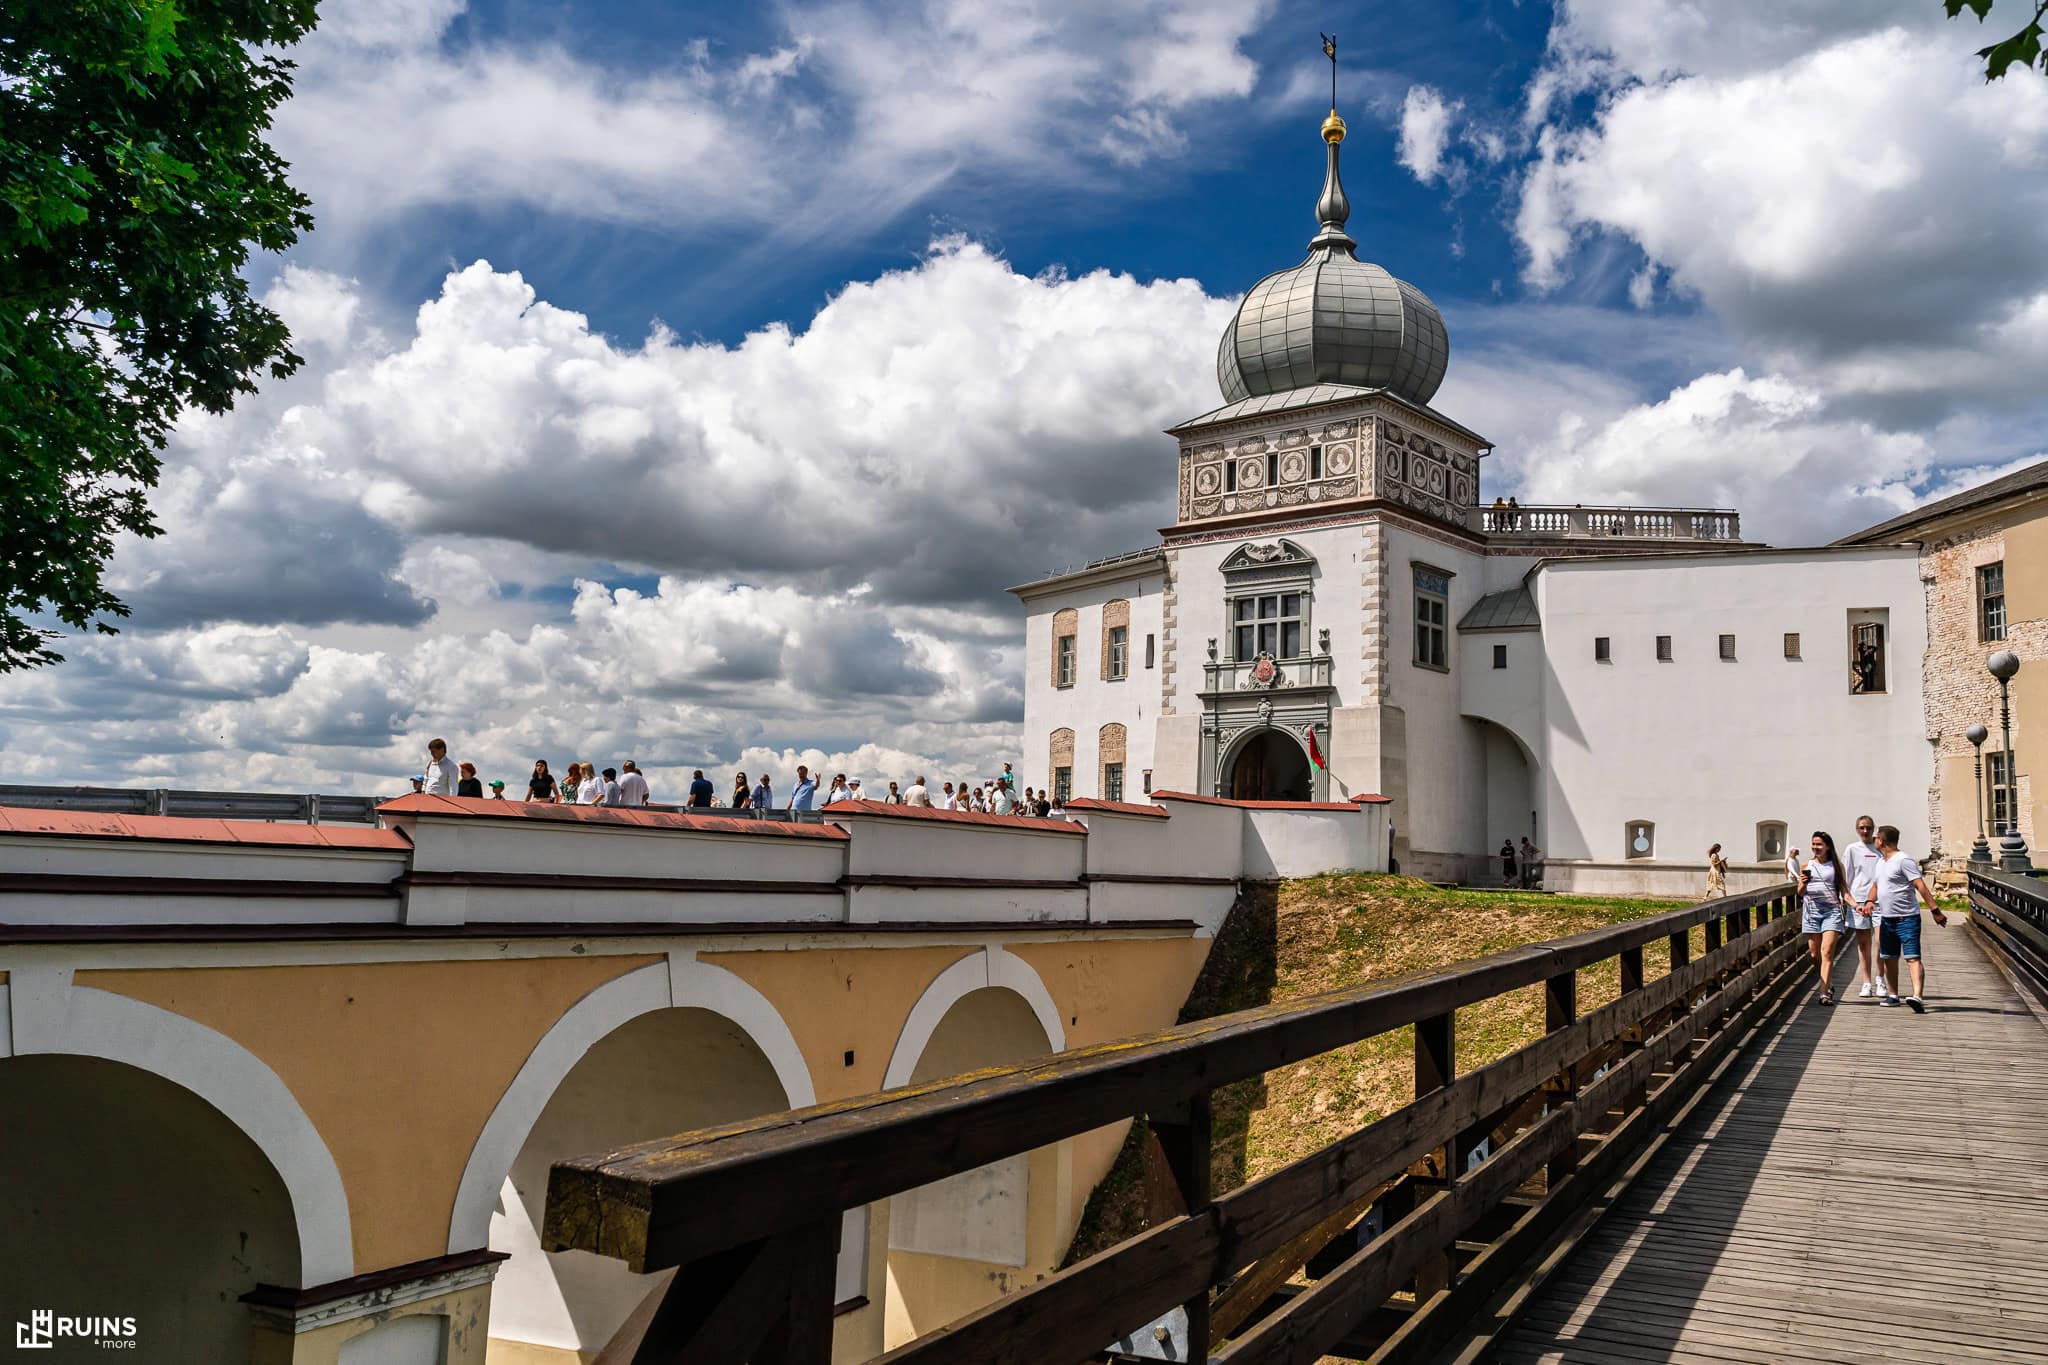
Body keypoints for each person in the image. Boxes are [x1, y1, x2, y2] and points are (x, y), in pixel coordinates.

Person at [1858, 824, 1947, 1011]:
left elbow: (1920, 885)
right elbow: (1876, 886)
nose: (1874, 840)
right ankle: (1893, 995)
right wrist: (1869, 901)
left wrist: (1935, 910)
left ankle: (1917, 996)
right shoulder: (1881, 862)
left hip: (1907, 918)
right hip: (1887, 918)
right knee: (1889, 957)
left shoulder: (1904, 860)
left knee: (1912, 957)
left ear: (1882, 841)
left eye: (1876, 838)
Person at [1797, 831, 1848, 1005]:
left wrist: (1856, 905)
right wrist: (1803, 882)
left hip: (1831, 911)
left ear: (1827, 846)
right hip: (1811, 911)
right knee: (1814, 954)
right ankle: (1828, 983)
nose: (1816, 847)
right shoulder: (1806, 864)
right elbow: (1800, 892)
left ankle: (1823, 993)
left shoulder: (1837, 866)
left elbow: (1844, 891)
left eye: (1819, 844)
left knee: (1826, 951)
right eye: (1813, 844)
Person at [1843, 816, 1885, 997]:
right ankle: (1866, 982)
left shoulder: (1880, 848)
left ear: (1873, 829)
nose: (1865, 831)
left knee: (1881, 941)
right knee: (1863, 943)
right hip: (1859, 900)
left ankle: (1880, 979)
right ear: (1857, 829)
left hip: (1879, 900)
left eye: (1868, 828)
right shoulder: (1852, 849)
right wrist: (1847, 899)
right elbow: (1846, 875)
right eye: (1861, 828)